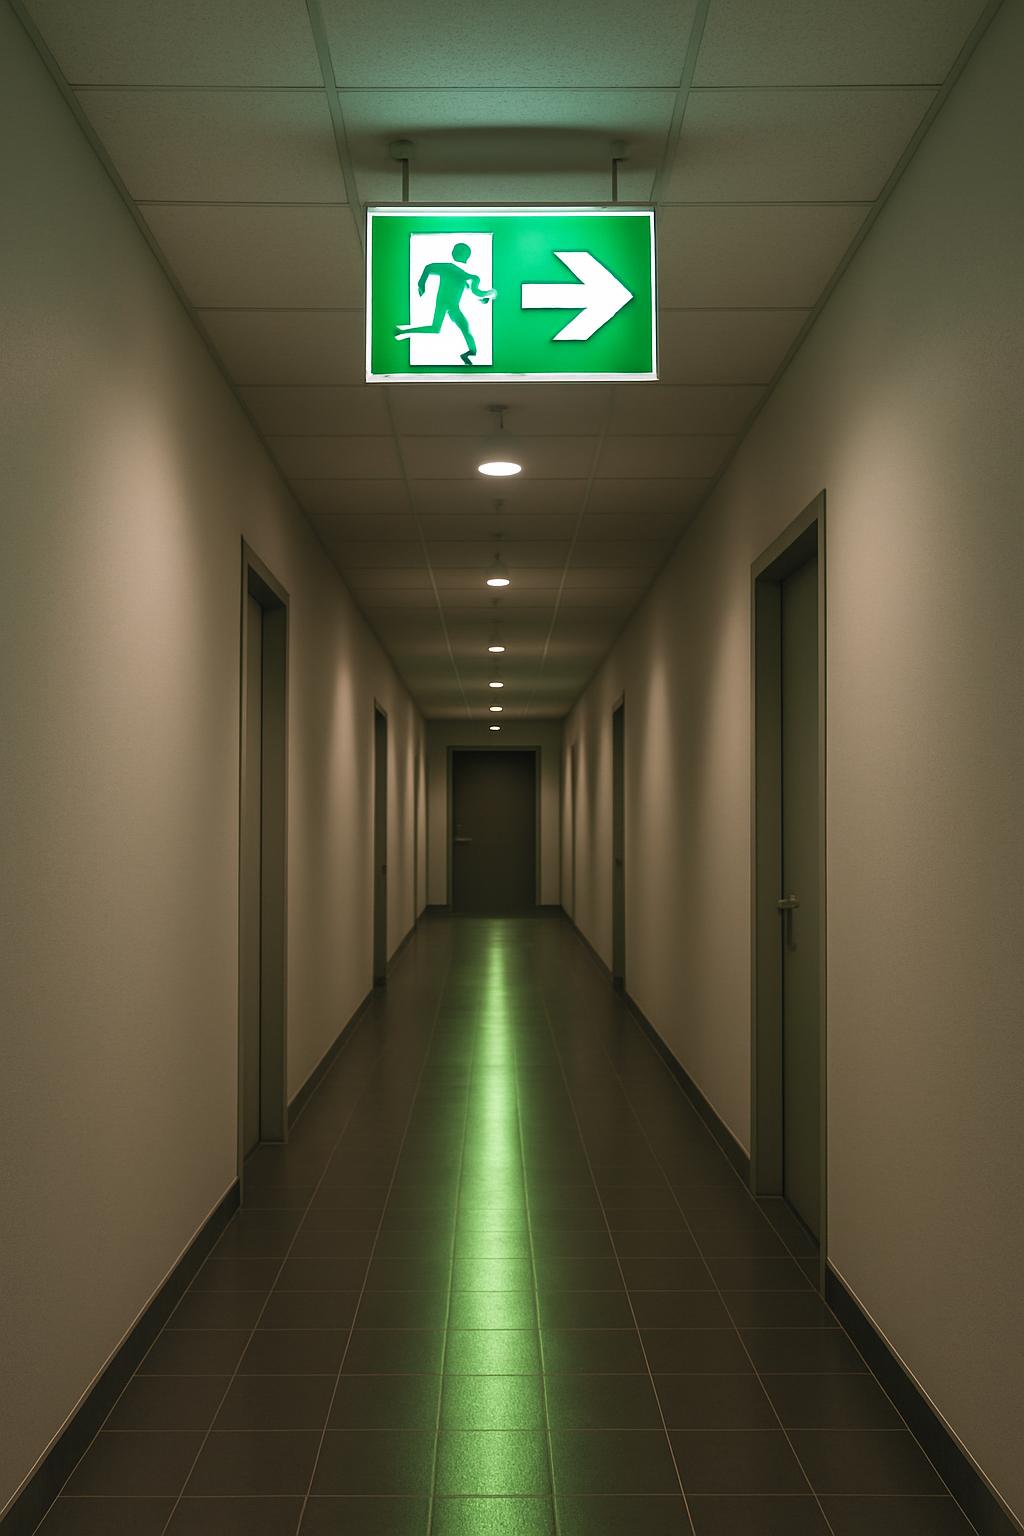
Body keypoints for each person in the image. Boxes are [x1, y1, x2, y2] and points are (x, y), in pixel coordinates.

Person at [395, 241, 496, 364]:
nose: (455, 253)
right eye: (456, 251)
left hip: (452, 306)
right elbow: (429, 268)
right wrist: (421, 284)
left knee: (460, 329)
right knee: (436, 328)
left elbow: (476, 292)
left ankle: (470, 353)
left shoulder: (464, 275)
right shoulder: (451, 269)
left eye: (458, 252)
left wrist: (485, 296)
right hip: (445, 304)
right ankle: (402, 331)